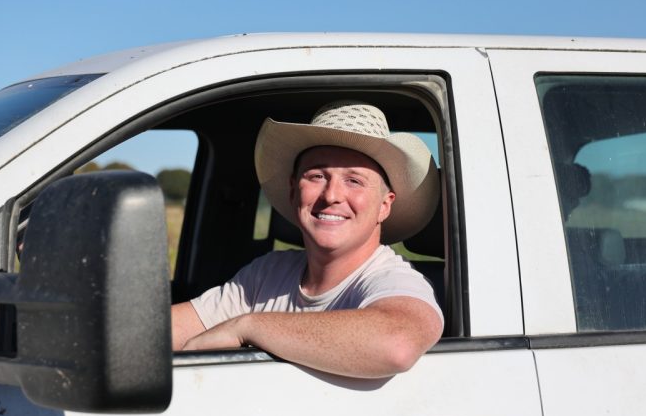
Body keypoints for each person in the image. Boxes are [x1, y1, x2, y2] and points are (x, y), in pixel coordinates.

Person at [171, 100, 443, 379]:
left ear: (384, 206)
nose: (331, 195)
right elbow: (170, 331)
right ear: (293, 192)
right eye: (317, 176)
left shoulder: (394, 279)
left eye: (354, 181)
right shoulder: (267, 273)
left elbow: (397, 344)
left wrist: (247, 326)